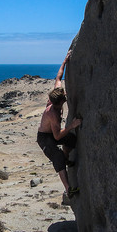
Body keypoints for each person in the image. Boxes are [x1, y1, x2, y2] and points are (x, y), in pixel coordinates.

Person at [37, 50, 82, 198]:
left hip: (52, 133)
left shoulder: (56, 94)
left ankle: (67, 157)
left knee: (71, 140)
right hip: (45, 138)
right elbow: (56, 137)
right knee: (58, 158)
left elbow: (58, 77)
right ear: (60, 102)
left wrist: (65, 61)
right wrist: (71, 125)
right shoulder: (53, 115)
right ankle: (69, 189)